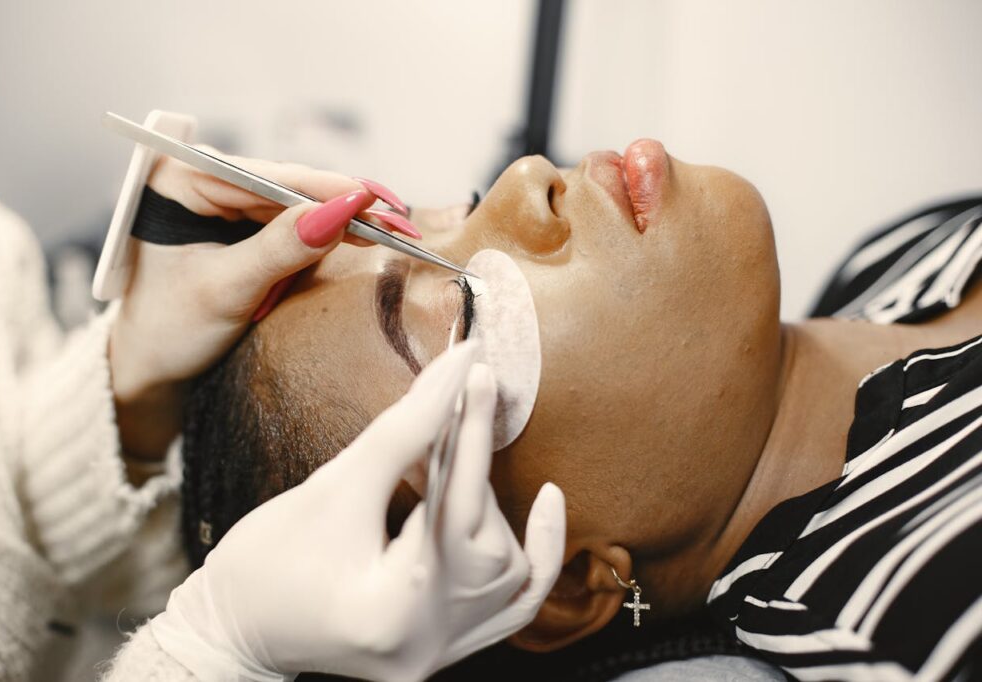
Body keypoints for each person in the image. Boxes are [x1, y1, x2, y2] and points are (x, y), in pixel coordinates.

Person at [179, 137, 982, 680]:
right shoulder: (933, 611)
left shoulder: (895, 263)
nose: (527, 180)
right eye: (466, 299)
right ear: (559, 582)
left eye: (454, 211)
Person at [0, 152, 565, 682]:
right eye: (470, 311)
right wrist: (209, 657)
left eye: (471, 204)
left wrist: (135, 379)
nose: (527, 174)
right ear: (568, 589)